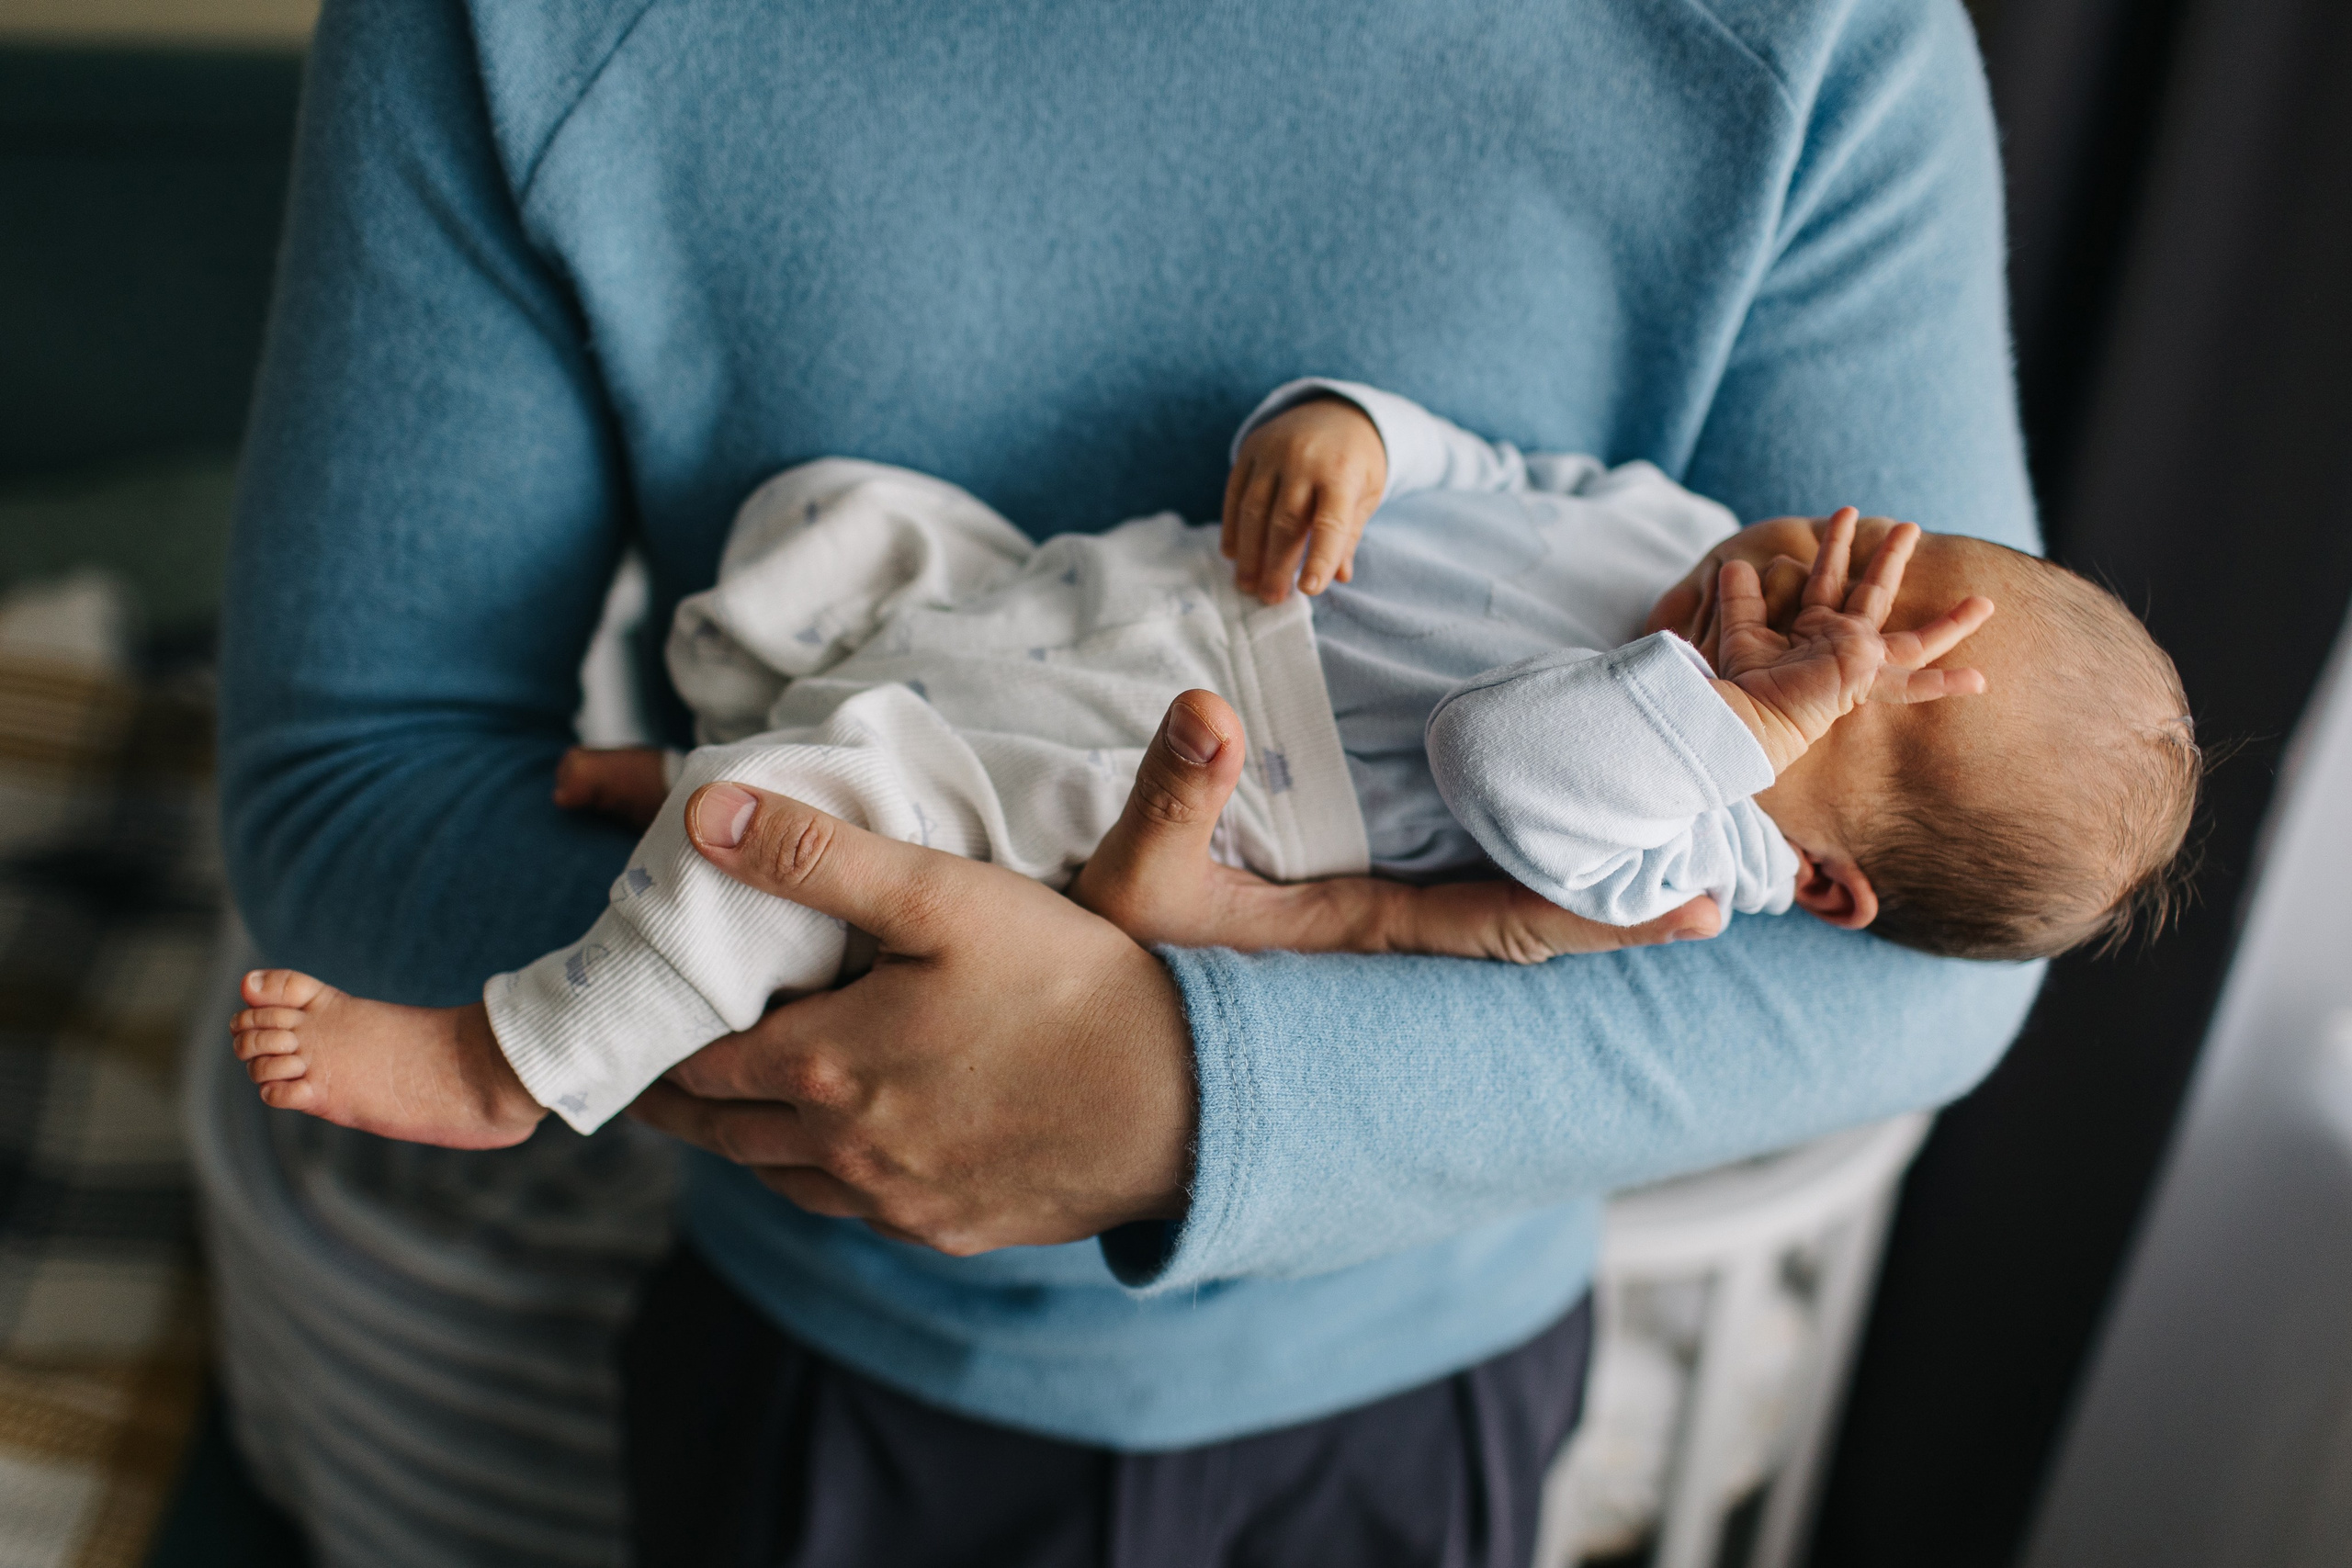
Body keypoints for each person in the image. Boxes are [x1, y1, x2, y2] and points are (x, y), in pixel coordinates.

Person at [218, 1, 2060, 1561]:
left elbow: (1925, 946)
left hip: (1404, 1379)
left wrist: (1185, 1086)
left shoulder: (1800, 45)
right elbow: (346, 785)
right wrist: (824, 922)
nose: (1826, 610)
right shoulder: (531, 36)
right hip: (825, 1356)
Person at [225, 384, 2194, 1152]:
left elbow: (1498, 753)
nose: (1808, 593)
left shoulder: (1677, 847)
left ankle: (517, 1059)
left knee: (858, 805)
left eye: (1855, 673)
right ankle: (698, 772)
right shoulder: (1686, 528)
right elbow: (1503, 480)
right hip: (1123, 595)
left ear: (1828, 873)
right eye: (1884, 561)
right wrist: (1354, 432)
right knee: (827, 530)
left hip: (1185, 763)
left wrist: (1739, 710)